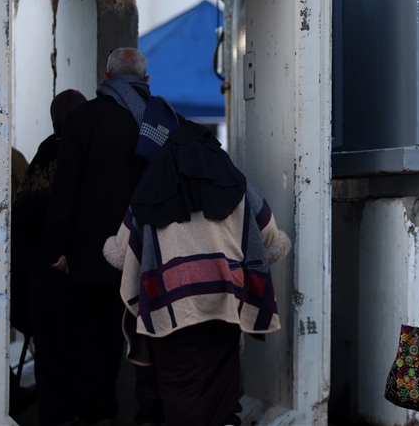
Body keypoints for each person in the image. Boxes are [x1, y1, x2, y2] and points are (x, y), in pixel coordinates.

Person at [103, 115, 291, 426]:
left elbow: (120, 255)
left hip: (170, 307)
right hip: (225, 301)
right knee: (222, 378)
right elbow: (273, 239)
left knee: (179, 384)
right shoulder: (235, 182)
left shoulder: (149, 187)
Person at [45, 47, 161, 426]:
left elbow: (66, 189)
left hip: (92, 253)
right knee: (148, 332)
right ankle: (151, 413)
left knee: (92, 340)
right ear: (146, 82)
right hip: (148, 252)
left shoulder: (82, 119)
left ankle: (99, 417)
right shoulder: (160, 119)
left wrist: (58, 247)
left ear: (105, 78)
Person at [12, 89, 87, 426]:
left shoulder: (42, 156)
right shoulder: (88, 152)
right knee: (85, 356)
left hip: (40, 280)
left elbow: (19, 222)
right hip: (81, 277)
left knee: (51, 361)